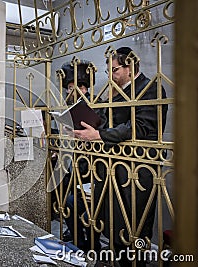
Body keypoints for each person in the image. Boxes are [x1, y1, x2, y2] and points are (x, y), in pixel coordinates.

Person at [73, 47, 168, 266]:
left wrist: (99, 134)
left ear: (130, 67)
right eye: (109, 71)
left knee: (136, 224)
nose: (111, 76)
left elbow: (141, 127)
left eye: (114, 70)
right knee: (115, 223)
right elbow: (107, 123)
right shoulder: (115, 91)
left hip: (139, 169)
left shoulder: (151, 88)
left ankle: (136, 261)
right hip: (113, 167)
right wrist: (85, 128)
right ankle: (116, 253)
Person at [58, 61, 106, 252]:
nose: (73, 91)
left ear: (85, 87)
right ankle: (80, 244)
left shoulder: (98, 103)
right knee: (70, 204)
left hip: (98, 165)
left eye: (77, 87)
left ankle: (93, 246)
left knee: (91, 213)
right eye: (69, 88)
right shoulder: (68, 106)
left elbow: (103, 130)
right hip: (78, 164)